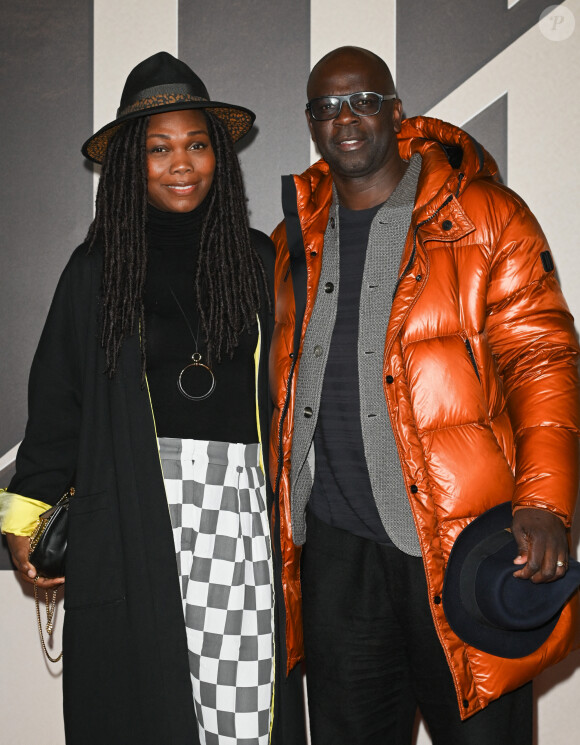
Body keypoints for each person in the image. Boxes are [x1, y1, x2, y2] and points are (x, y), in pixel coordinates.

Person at [269, 45, 580, 744]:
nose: (345, 118)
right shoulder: (294, 239)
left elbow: (545, 360)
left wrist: (545, 501)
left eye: (363, 100)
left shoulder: (484, 216)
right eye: (326, 107)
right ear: (311, 124)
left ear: (396, 110)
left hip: (462, 539)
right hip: (338, 558)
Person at [1, 52, 304, 745]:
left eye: (197, 145)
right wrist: (23, 520)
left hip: (239, 520)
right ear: (131, 161)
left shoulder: (258, 262)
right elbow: (56, 403)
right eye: (160, 148)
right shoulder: (98, 269)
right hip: (131, 510)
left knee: (244, 710)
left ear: (218, 157)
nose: (181, 163)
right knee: (140, 710)